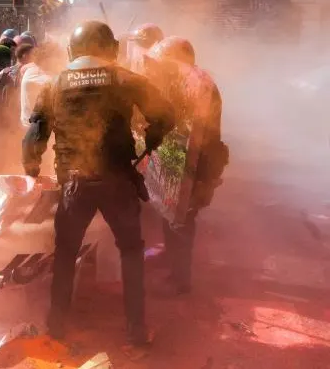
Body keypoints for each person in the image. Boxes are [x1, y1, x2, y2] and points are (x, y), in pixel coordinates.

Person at [22, 20, 175, 350]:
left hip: (74, 183)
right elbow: (165, 115)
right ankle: (135, 329)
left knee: (65, 253)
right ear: (112, 49)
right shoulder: (125, 78)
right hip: (118, 181)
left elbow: (34, 134)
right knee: (131, 252)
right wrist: (151, 139)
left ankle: (56, 323)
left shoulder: (54, 85)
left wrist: (32, 168)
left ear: (71, 51)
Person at [144, 36, 229, 294]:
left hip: (194, 161)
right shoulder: (189, 79)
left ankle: (180, 281)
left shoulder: (195, 82)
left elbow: (192, 131)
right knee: (171, 212)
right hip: (186, 159)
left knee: (181, 218)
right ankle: (172, 260)